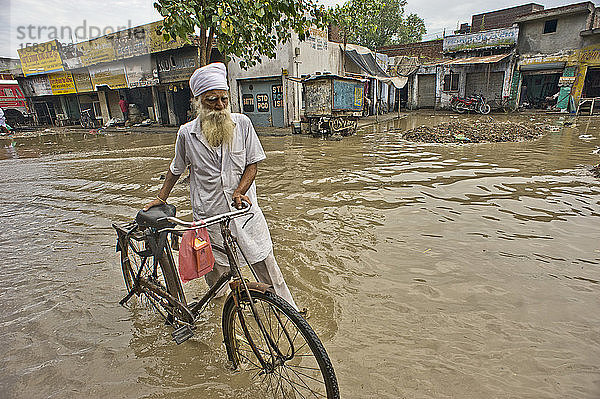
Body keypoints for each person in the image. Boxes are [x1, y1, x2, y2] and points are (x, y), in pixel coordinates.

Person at [143, 62, 299, 310]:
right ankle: (222, 312)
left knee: (265, 263)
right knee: (216, 275)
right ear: (198, 102)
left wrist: (240, 191)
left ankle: (289, 310)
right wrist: (161, 199)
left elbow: (252, 165)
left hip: (243, 211)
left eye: (223, 99)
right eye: (211, 100)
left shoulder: (243, 124)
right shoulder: (186, 134)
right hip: (210, 216)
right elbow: (176, 169)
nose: (219, 105)